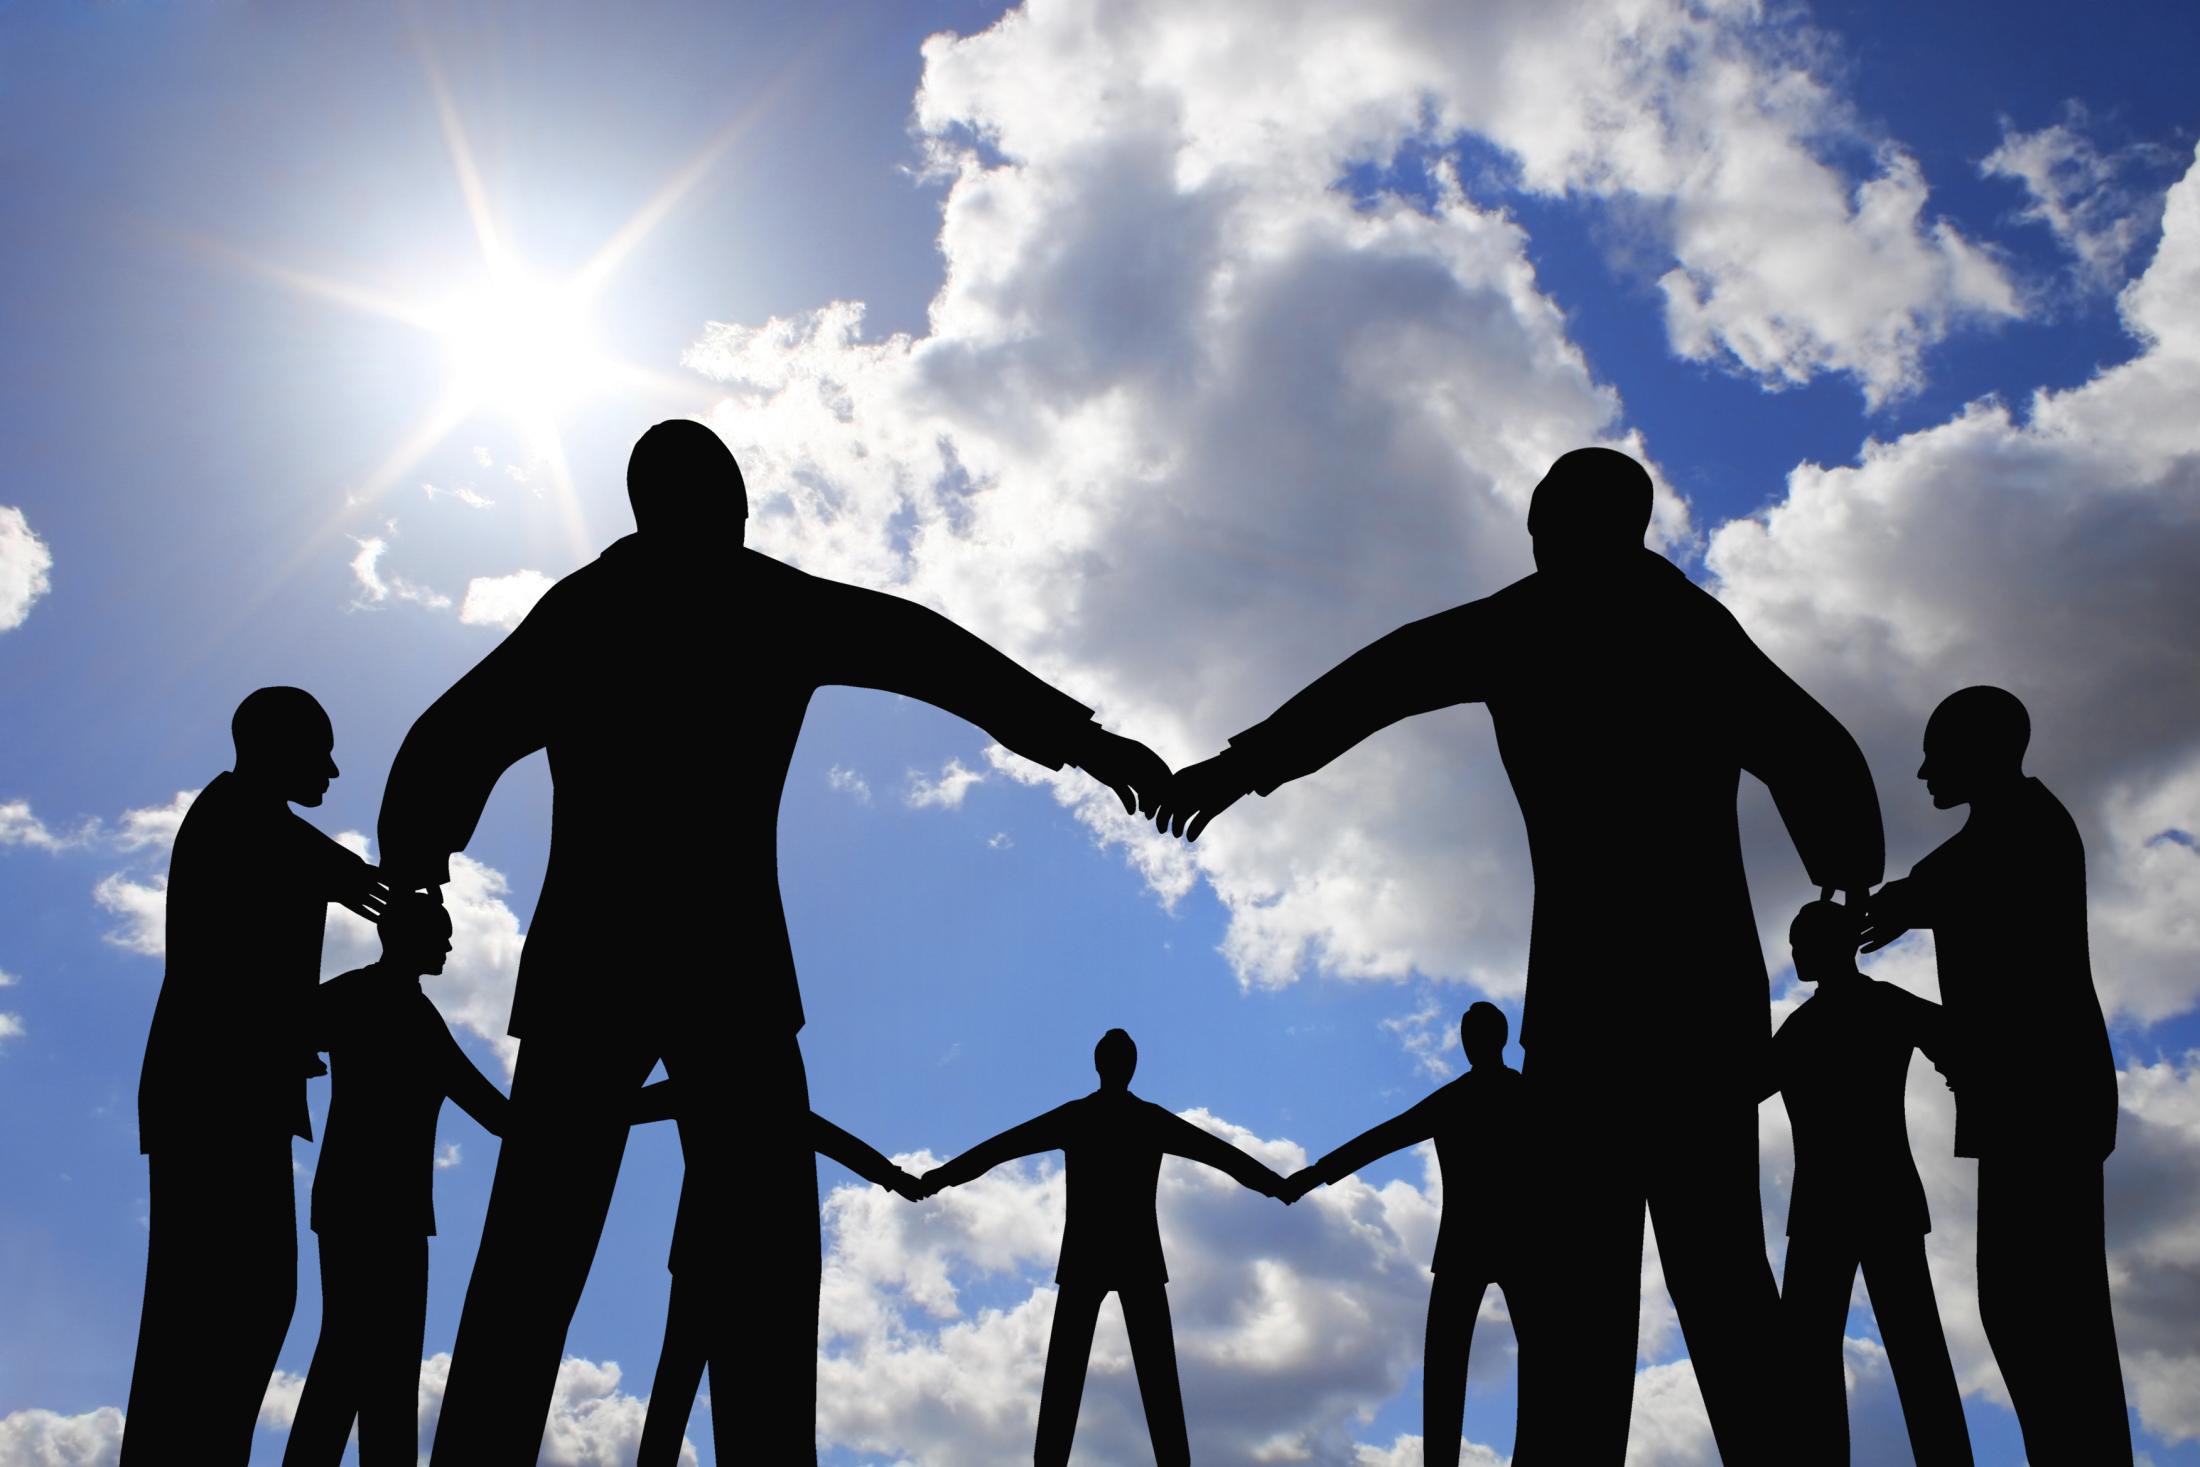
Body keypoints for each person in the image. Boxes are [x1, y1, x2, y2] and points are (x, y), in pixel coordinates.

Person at [377, 419, 1173, 1463]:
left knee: (537, 1260)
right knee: (745, 1263)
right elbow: (927, 648)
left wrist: (420, 868)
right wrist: (1079, 738)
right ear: (723, 504)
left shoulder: (589, 610)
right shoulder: (760, 603)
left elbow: (449, 738)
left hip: (600, 966)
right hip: (721, 971)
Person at [1152, 447, 1885, 1462]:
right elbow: (1815, 750)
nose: (1535, 536)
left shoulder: (1546, 625)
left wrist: (1242, 769)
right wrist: (1845, 870)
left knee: (1635, 1278)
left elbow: (1378, 679)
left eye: (1546, 518)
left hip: (1614, 1001)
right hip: (1684, 993)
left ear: (1587, 524)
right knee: (1683, 1271)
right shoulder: (1669, 627)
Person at [1862, 686, 2129, 1462]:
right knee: (2026, 1310)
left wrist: (1893, 920)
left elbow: (1957, 881)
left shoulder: (2026, 831)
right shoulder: (2004, 836)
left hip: (2044, 1101)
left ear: (1983, 750)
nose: (1920, 772)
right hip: (2031, 1100)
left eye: (1936, 751)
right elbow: (1943, 883)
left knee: (2043, 1313)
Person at [123, 686, 388, 1464]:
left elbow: (342, 878)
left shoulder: (254, 825)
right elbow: (351, 881)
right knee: (225, 1303)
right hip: (217, 1093)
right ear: (274, 745)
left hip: (229, 1091)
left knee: (241, 1301)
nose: (335, 771)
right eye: (321, 750)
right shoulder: (240, 822)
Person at [917, 1029, 1290, 1467]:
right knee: (1150, 1387)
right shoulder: (1146, 1119)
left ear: (1099, 1065)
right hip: (1131, 1259)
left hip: (1092, 1259)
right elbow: (1223, 1156)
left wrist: (936, 1179)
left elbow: (1000, 1148)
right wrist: (1279, 1186)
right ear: (1130, 1067)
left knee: (1073, 1383)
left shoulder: (1080, 1117)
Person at [282, 892, 509, 1465]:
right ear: (410, 938)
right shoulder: (396, 1008)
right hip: (378, 1205)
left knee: (364, 1357)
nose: (451, 945)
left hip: (369, 1202)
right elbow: (498, 1115)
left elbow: (289, 1025)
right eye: (441, 934)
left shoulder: (376, 1000)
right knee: (365, 1357)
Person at [627, 1080, 925, 1467]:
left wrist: (891, 1176)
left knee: (686, 1382)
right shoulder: (736, 1093)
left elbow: (826, 1136)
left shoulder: (707, 1089)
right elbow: (827, 1136)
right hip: (718, 1261)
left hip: (722, 1261)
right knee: (683, 1380)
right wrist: (892, 1176)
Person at [1282, 1001, 1529, 1467]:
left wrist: (1313, 1176)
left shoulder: (1459, 1098)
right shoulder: (1523, 1095)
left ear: (1475, 1041)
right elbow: (1384, 1137)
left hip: (1470, 1247)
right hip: (1509, 1246)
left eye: (1469, 1034)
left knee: (1445, 1370)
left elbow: (1382, 1138)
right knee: (1461, 1366)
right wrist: (1314, 1175)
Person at [1767, 899, 1970, 1466]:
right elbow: (1957, 1039)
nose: (1794, 953)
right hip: (1876, 1199)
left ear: (1828, 945)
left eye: (1801, 942)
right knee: (1912, 1354)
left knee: (1818, 1359)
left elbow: (1742, 1084)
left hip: (1830, 1208)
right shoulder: (1875, 1007)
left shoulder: (1805, 1027)